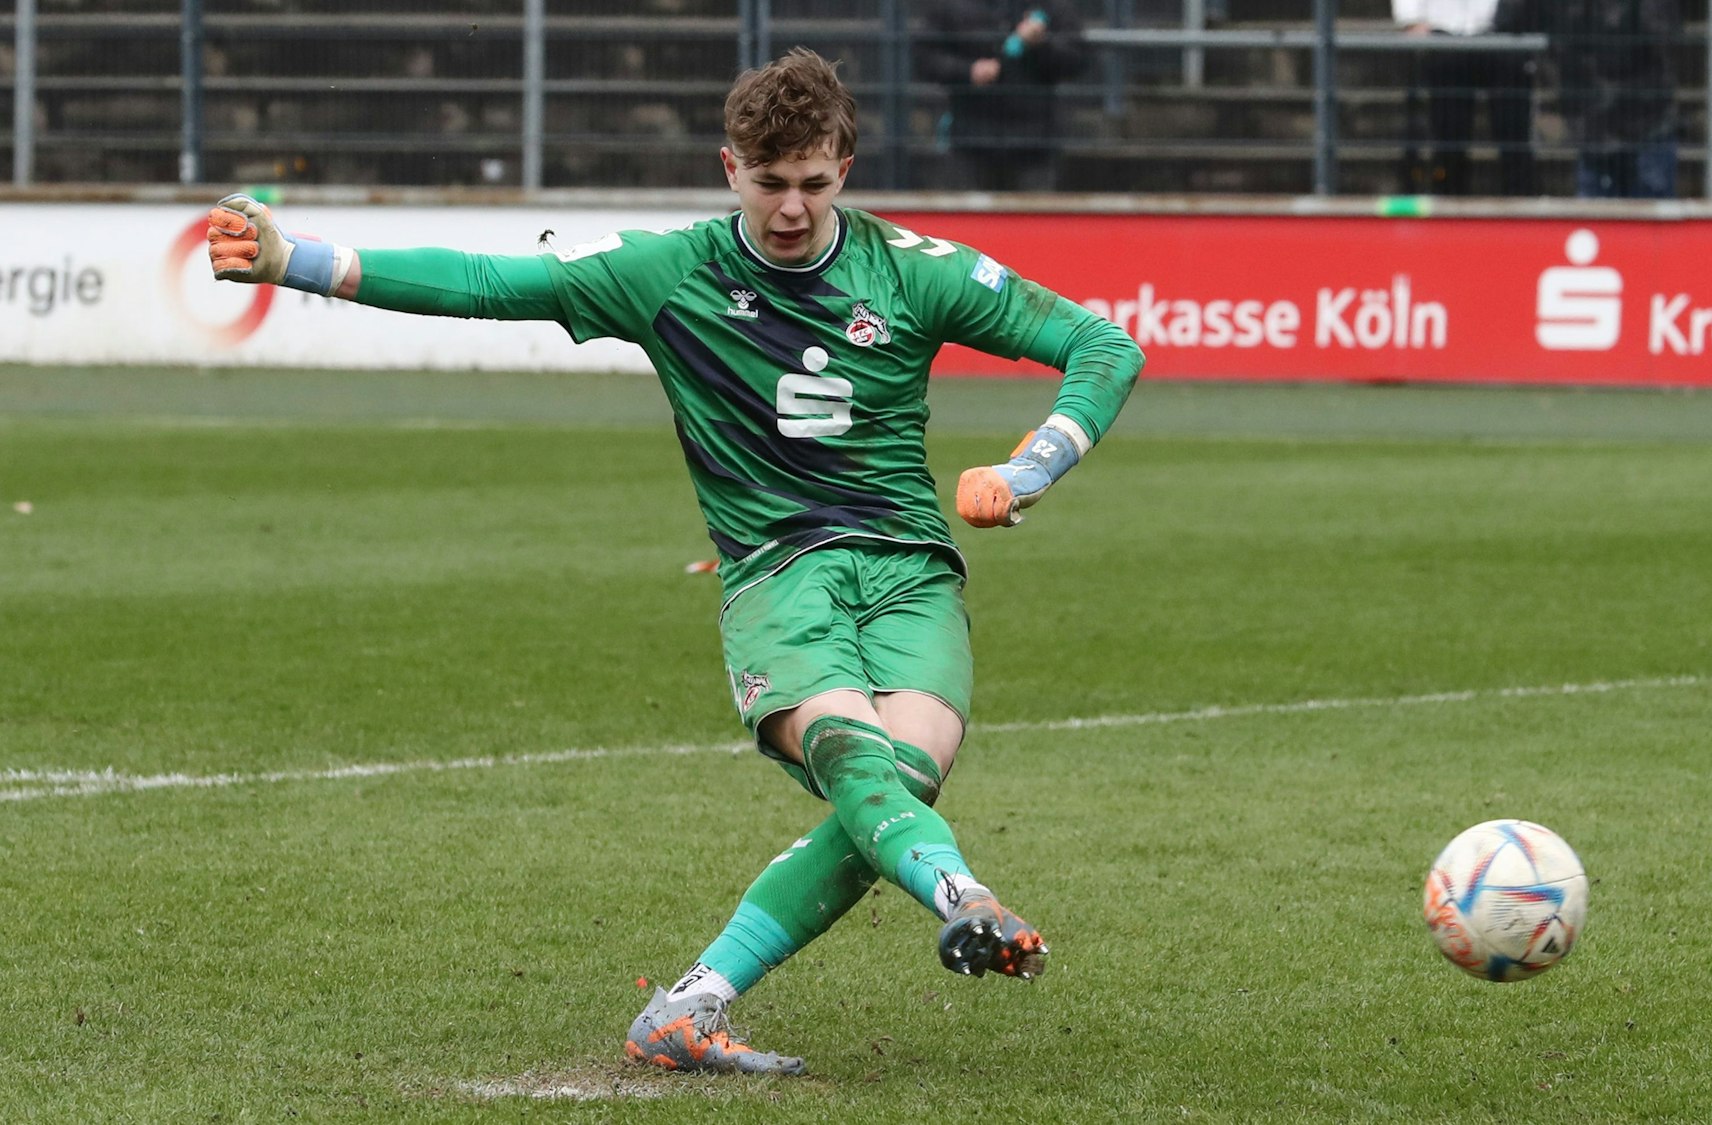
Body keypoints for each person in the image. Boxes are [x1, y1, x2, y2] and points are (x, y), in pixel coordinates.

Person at [206, 47, 1145, 1076]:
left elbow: (1105, 347)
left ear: (844, 168)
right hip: (780, 572)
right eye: (769, 182)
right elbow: (486, 283)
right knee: (854, 759)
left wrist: (1029, 468)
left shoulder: (913, 271)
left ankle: (689, 1006)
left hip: (912, 571)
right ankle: (965, 897)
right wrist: (294, 260)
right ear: (728, 167)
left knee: (902, 781)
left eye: (814, 183)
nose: (792, 208)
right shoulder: (670, 271)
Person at [1505, 0, 1680, 199]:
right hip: (1593, 133)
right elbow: (1514, 19)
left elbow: (1662, 36)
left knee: (1648, 213)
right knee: (1594, 211)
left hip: (1644, 128)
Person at [918, 0, 1088, 192]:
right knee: (965, 208)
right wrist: (968, 71)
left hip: (1034, 147)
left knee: (1034, 211)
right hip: (969, 142)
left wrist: (1041, 44)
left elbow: (1077, 59)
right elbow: (925, 57)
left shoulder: (1052, 5)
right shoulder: (948, 6)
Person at [1394, 0, 1538, 196]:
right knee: (1448, 134)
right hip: (1443, 35)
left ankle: (1521, 201)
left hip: (1500, 33)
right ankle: (1448, 201)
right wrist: (1410, 20)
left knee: (1512, 130)